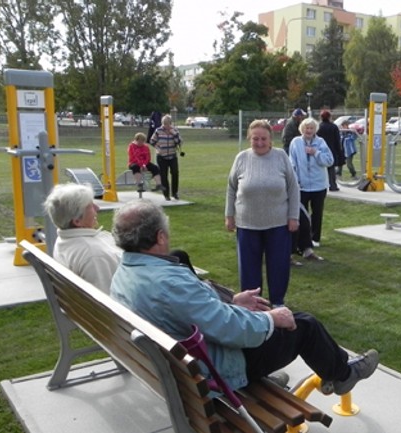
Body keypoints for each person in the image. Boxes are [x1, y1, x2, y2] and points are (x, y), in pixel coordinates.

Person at [109, 199, 379, 395]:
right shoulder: (168, 283)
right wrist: (272, 319)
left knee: (275, 320)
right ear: (159, 236)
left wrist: (231, 302)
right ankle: (343, 375)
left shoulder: (126, 271)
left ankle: (331, 370)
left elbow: (198, 313)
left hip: (176, 365)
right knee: (304, 325)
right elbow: (233, 330)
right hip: (212, 371)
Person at [225, 119, 300, 307]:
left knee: (278, 265)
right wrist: (229, 215)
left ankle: (277, 301)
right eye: (255, 138)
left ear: (270, 139)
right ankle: (254, 303)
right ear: (250, 138)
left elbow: (293, 188)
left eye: (263, 139)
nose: (259, 142)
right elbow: (231, 188)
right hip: (247, 224)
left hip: (278, 224)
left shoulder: (281, 156)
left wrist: (293, 216)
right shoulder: (241, 158)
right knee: (249, 267)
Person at [42, 183, 121, 293]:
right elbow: (107, 301)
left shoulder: (65, 240)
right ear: (77, 221)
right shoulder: (94, 255)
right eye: (90, 206)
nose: (97, 208)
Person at [289, 117, 334, 248]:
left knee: (317, 213)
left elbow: (329, 161)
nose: (309, 130)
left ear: (315, 130)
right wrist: (295, 180)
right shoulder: (295, 142)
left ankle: (315, 238)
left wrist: (316, 153)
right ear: (302, 129)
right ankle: (300, 240)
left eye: (311, 128)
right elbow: (292, 162)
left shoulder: (321, 142)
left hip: (319, 185)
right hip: (301, 186)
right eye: (306, 128)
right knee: (301, 215)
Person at [150, 114, 182, 201]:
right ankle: (166, 194)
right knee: (163, 175)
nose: (166, 126)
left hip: (172, 156)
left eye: (168, 124)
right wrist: (157, 148)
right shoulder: (158, 130)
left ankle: (175, 193)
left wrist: (174, 134)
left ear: (170, 123)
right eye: (164, 124)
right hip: (161, 157)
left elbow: (179, 142)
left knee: (175, 173)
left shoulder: (175, 130)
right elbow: (152, 141)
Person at [316, 110, 344, 191]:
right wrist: (339, 152)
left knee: (320, 168)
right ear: (329, 117)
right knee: (331, 169)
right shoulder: (333, 127)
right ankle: (332, 185)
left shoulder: (318, 127)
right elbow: (337, 141)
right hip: (332, 150)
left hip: (320, 150)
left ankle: (320, 185)